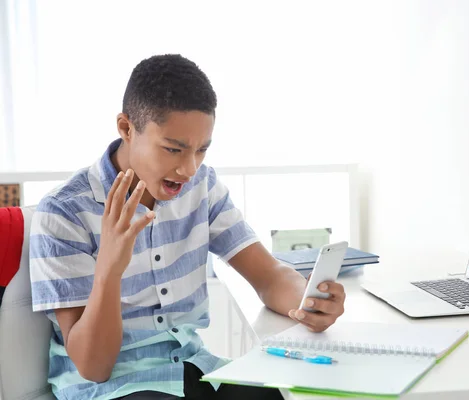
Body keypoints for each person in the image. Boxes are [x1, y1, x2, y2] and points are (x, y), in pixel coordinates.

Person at [29, 54, 346, 399]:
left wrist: (308, 301)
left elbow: (268, 276)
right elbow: (94, 366)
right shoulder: (63, 212)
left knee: (282, 395)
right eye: (173, 149)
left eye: (201, 150)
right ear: (126, 128)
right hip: (112, 387)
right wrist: (109, 270)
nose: (189, 169)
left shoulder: (202, 187)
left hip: (193, 368)